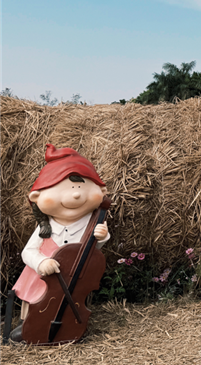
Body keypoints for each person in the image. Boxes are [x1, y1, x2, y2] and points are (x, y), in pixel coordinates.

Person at [9, 144, 109, 343]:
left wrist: (102, 237)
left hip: (72, 275)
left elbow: (92, 254)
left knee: (71, 296)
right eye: (68, 188)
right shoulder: (46, 226)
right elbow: (28, 252)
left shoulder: (91, 223)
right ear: (36, 197)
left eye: (81, 188)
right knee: (35, 296)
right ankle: (28, 323)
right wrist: (40, 263)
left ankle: (69, 323)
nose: (75, 195)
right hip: (43, 273)